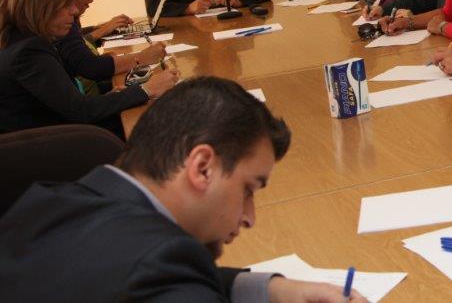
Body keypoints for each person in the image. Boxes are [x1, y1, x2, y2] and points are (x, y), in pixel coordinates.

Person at [0, 76, 367, 302]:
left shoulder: (52, 201)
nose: (250, 217)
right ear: (202, 167)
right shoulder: (157, 270)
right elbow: (159, 277)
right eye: (248, 189)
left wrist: (271, 291)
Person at [0, 0, 177, 136]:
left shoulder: (18, 42)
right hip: (62, 143)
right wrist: (147, 89)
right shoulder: (28, 53)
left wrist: (111, 98)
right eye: (66, 4)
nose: (74, 10)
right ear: (39, 6)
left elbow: (68, 103)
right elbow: (81, 111)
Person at [50, 0, 166, 95]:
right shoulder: (60, 23)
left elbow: (79, 56)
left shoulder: (68, 20)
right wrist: (142, 58)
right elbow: (90, 67)